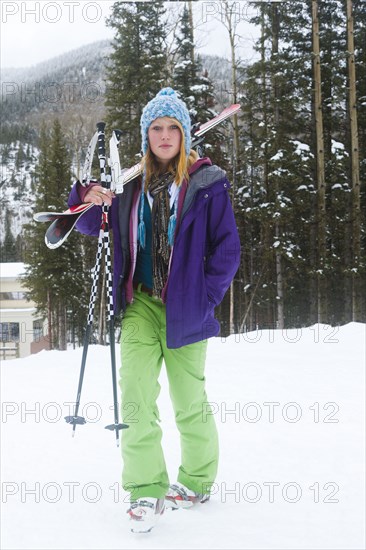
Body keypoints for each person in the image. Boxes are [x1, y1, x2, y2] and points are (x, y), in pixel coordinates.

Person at [68, 87, 241, 532]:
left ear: (184, 134)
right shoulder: (127, 184)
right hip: (140, 302)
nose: (164, 136)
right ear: (147, 136)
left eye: (172, 128)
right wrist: (89, 194)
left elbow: (227, 251)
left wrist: (206, 296)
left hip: (187, 307)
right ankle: (145, 489)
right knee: (136, 394)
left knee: (189, 401)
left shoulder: (207, 182)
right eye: (156, 128)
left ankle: (197, 479)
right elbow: (88, 223)